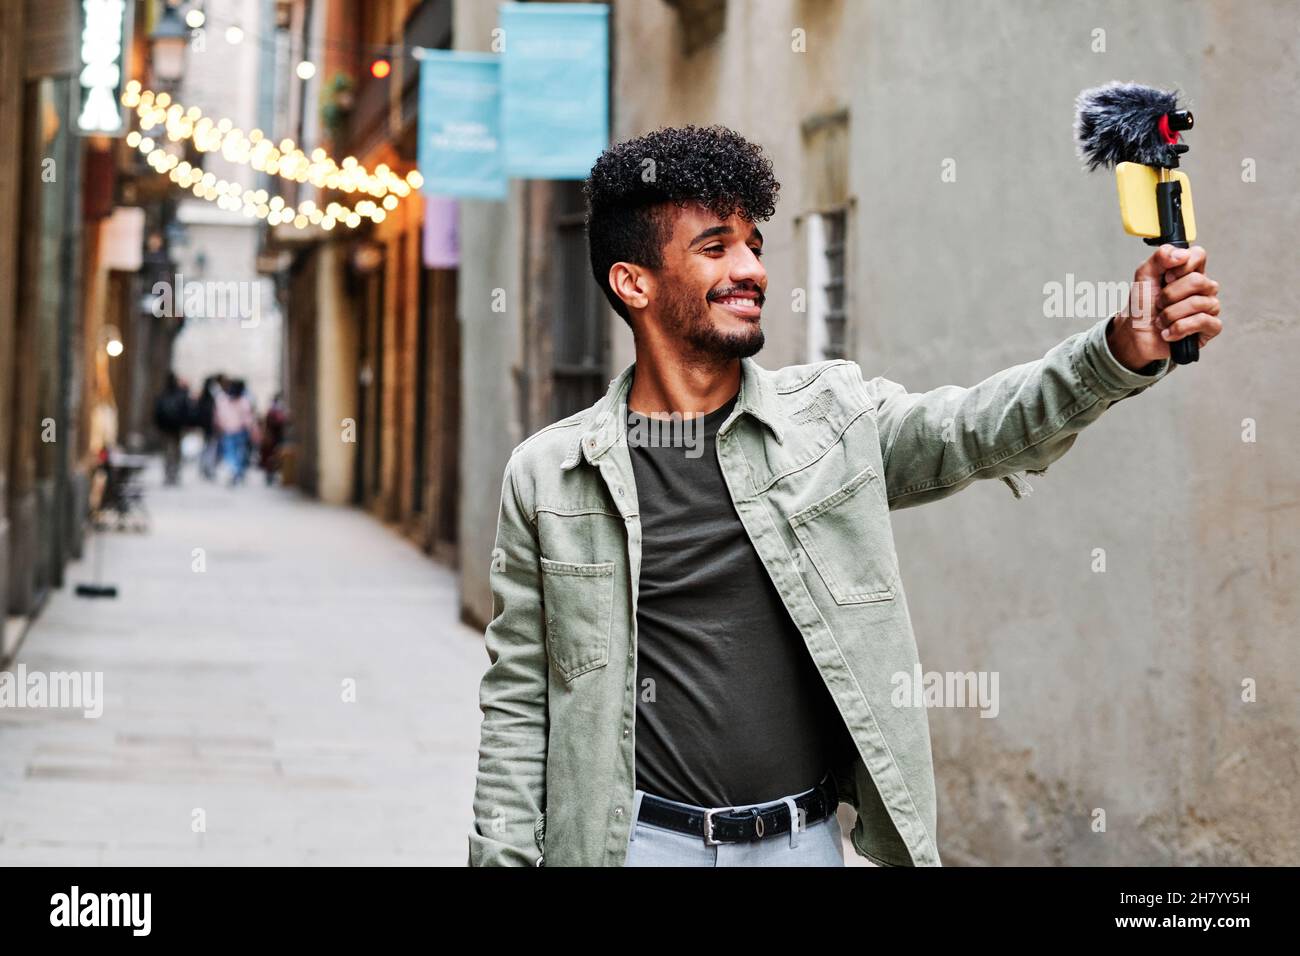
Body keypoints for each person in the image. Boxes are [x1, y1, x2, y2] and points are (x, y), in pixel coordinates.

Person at [467, 125, 1222, 868]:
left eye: (755, 245)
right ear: (634, 282)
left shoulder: (832, 419)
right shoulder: (552, 474)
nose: (751, 269)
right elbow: (519, 700)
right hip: (635, 845)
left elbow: (976, 430)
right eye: (716, 246)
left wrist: (1119, 348)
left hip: (800, 844)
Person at [214, 378, 257, 486]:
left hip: (229, 430)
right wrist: (251, 427)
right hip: (239, 430)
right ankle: (237, 471)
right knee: (239, 452)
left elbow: (219, 415)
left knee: (230, 452)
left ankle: (235, 470)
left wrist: (221, 425)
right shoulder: (244, 401)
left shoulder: (223, 400)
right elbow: (248, 417)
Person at [152, 372, 191, 486]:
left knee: (168, 451)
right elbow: (186, 411)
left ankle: (169, 473)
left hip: (166, 428)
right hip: (176, 428)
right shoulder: (180, 395)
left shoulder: (162, 394)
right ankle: (174, 473)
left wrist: (158, 425)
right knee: (176, 451)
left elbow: (157, 411)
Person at [259, 393, 289, 485]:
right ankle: (270, 474)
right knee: (272, 456)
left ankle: (270, 474)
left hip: (274, 438)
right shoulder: (277, 411)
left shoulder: (273, 411)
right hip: (274, 438)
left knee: (272, 456)